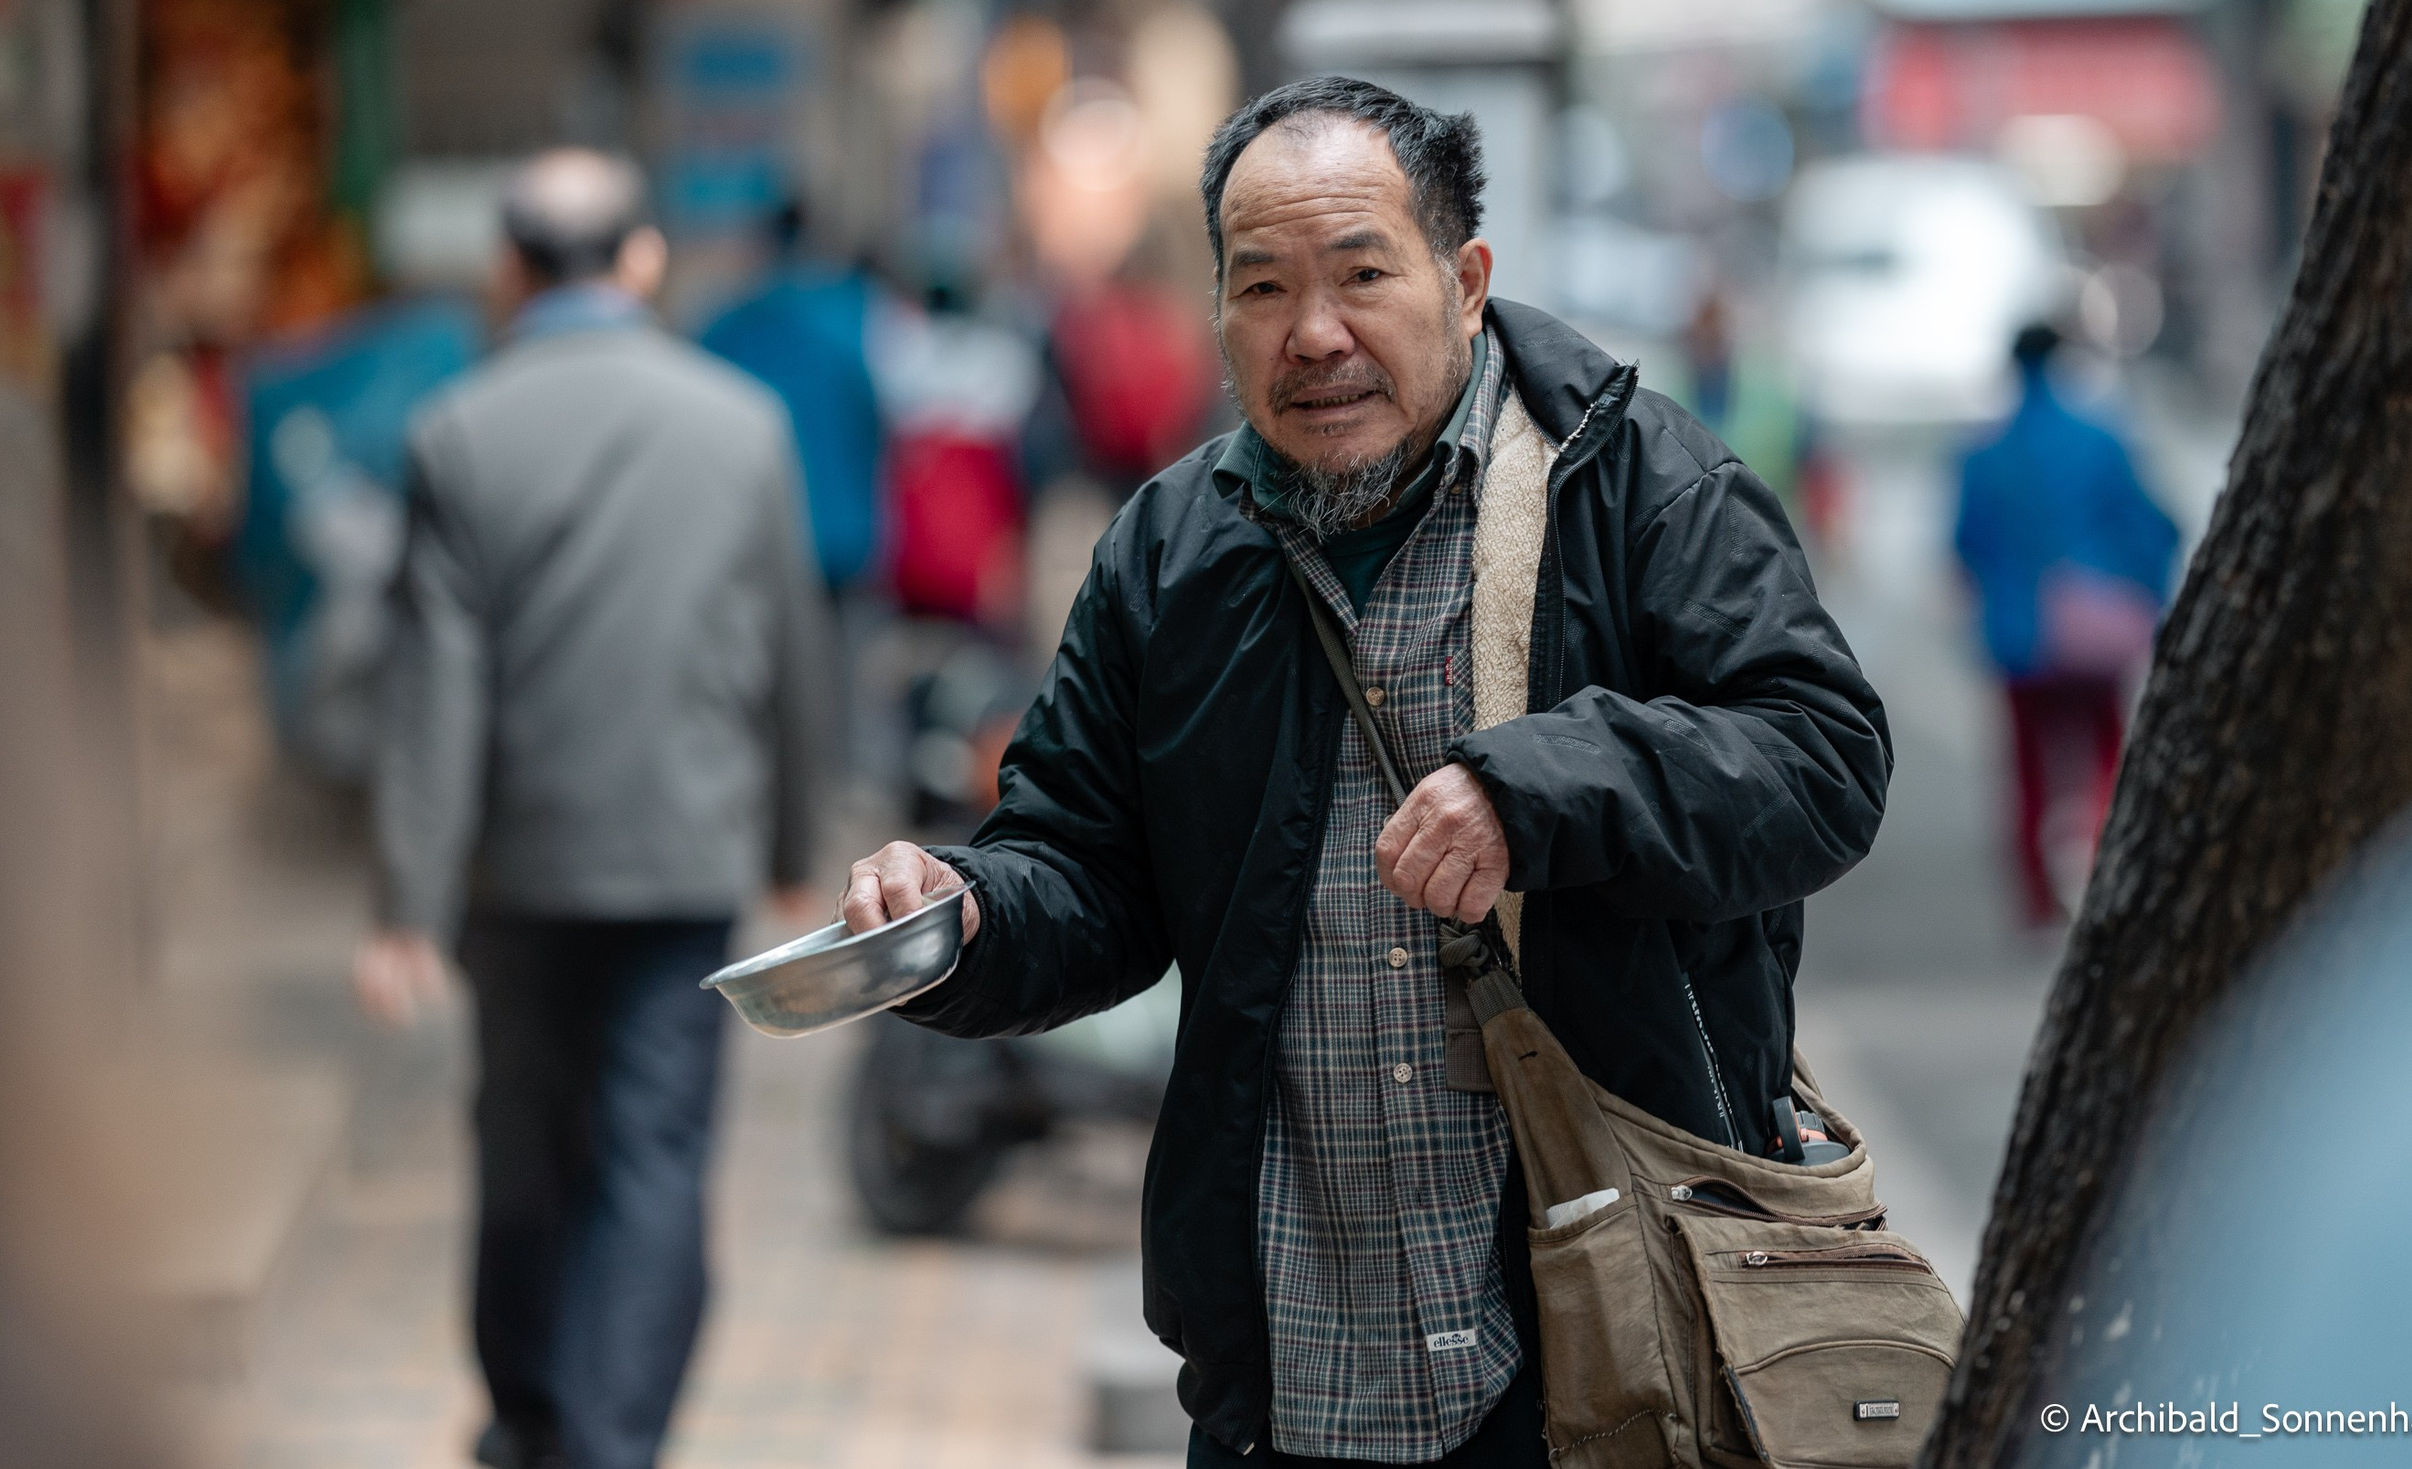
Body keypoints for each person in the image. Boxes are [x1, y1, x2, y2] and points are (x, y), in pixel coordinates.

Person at [836, 77, 1891, 1466]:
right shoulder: (1168, 554)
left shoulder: (1634, 482)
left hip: (1608, 1335)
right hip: (1290, 1356)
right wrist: (968, 914)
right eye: (1263, 286)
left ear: (1464, 280)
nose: (1314, 334)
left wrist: (1544, 786)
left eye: (1361, 275)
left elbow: (1823, 753)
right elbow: (1087, 866)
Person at [356, 150, 827, 1469]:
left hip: (518, 872)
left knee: (521, 1137)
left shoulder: (457, 430)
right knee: (655, 1148)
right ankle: (614, 1434)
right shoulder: (741, 425)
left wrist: (408, 898)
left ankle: (528, 1412)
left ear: (506, 271)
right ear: (642, 262)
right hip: (687, 854)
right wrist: (793, 841)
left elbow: (432, 695)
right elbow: (792, 647)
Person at [1955, 323, 2178, 927]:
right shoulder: (2101, 437)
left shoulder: (1985, 451)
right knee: (2105, 754)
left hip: (2017, 636)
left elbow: (1964, 543)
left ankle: (2035, 898)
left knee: (2028, 768)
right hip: (2094, 631)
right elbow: (2148, 525)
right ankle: (2105, 879)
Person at [696, 202, 885, 595]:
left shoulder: (727, 327)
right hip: (836, 532)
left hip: (749, 533)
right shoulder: (850, 317)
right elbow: (875, 419)